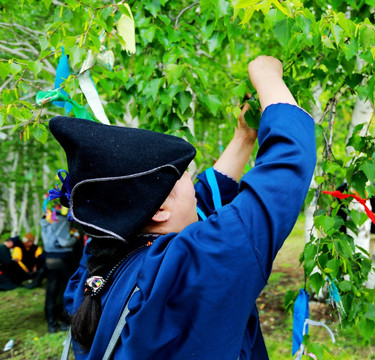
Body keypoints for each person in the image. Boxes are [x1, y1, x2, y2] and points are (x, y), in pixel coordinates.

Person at [53, 56, 316, 359]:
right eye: (186, 177)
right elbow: (288, 164)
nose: (194, 186)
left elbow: (191, 203)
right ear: (158, 211)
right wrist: (267, 75)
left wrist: (244, 138)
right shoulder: (191, 269)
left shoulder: (94, 271)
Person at [40, 209, 78, 333]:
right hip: (62, 258)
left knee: (51, 290)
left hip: (49, 258)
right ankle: (64, 322)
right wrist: (75, 237)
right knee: (65, 289)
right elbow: (64, 241)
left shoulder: (45, 220)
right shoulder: (60, 219)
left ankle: (51, 324)